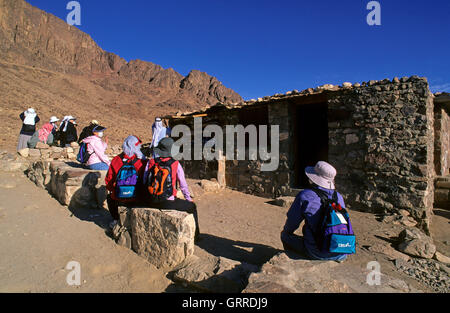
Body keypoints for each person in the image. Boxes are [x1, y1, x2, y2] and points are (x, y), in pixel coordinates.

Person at [281, 161, 347, 262]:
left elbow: (292, 222)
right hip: (341, 250)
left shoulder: (305, 196)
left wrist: (287, 232)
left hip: (317, 251)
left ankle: (295, 260)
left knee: (285, 236)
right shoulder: (339, 197)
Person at [143, 137, 201, 242]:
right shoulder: (175, 164)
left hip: (150, 200)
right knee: (192, 207)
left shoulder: (151, 162)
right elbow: (183, 185)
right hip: (167, 202)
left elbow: (144, 180)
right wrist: (188, 198)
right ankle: (196, 236)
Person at [105, 135, 146, 228]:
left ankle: (115, 219)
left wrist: (113, 190)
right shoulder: (142, 161)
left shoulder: (116, 159)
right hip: (136, 198)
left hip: (118, 197)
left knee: (109, 198)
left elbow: (108, 180)